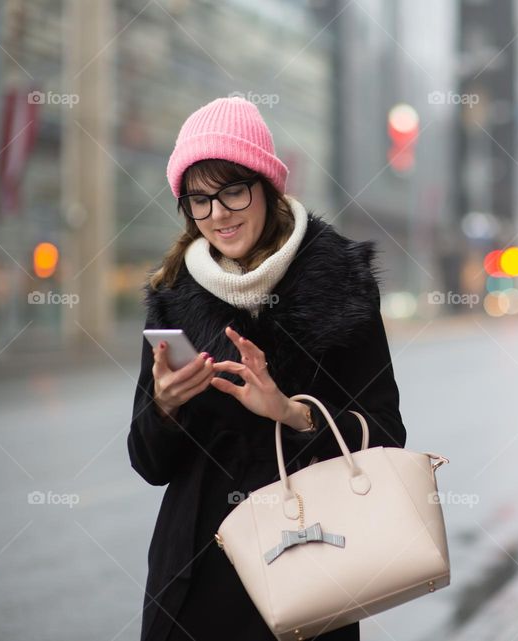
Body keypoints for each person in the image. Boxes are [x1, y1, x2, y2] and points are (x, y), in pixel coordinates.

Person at [127, 96, 407, 641]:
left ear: (267, 185)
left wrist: (290, 413)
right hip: (192, 579)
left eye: (232, 189)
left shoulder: (341, 284)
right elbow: (148, 463)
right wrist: (165, 405)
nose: (218, 215)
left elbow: (387, 434)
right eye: (198, 199)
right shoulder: (172, 298)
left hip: (309, 570)